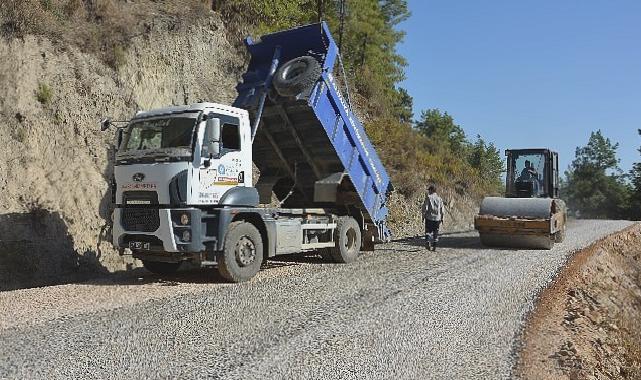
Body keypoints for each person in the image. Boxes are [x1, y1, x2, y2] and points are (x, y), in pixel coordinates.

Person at [422, 185, 444, 251]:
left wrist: (423, 216)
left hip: (429, 217)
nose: (428, 191)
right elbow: (442, 210)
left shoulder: (428, 197)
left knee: (428, 230)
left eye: (429, 190)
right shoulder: (439, 199)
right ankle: (434, 245)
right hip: (437, 218)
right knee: (435, 231)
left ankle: (427, 241)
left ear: (431, 190)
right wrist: (442, 218)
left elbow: (425, 208)